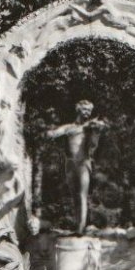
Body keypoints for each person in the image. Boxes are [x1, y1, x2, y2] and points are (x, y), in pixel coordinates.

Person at [46, 100, 108, 235]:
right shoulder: (69, 127)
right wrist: (50, 132)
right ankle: (77, 226)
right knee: (74, 197)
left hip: (83, 163)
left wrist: (97, 130)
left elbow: (96, 137)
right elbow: (55, 133)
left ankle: (80, 229)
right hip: (70, 164)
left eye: (89, 111)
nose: (87, 113)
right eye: (85, 110)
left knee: (82, 195)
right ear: (78, 110)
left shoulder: (90, 127)